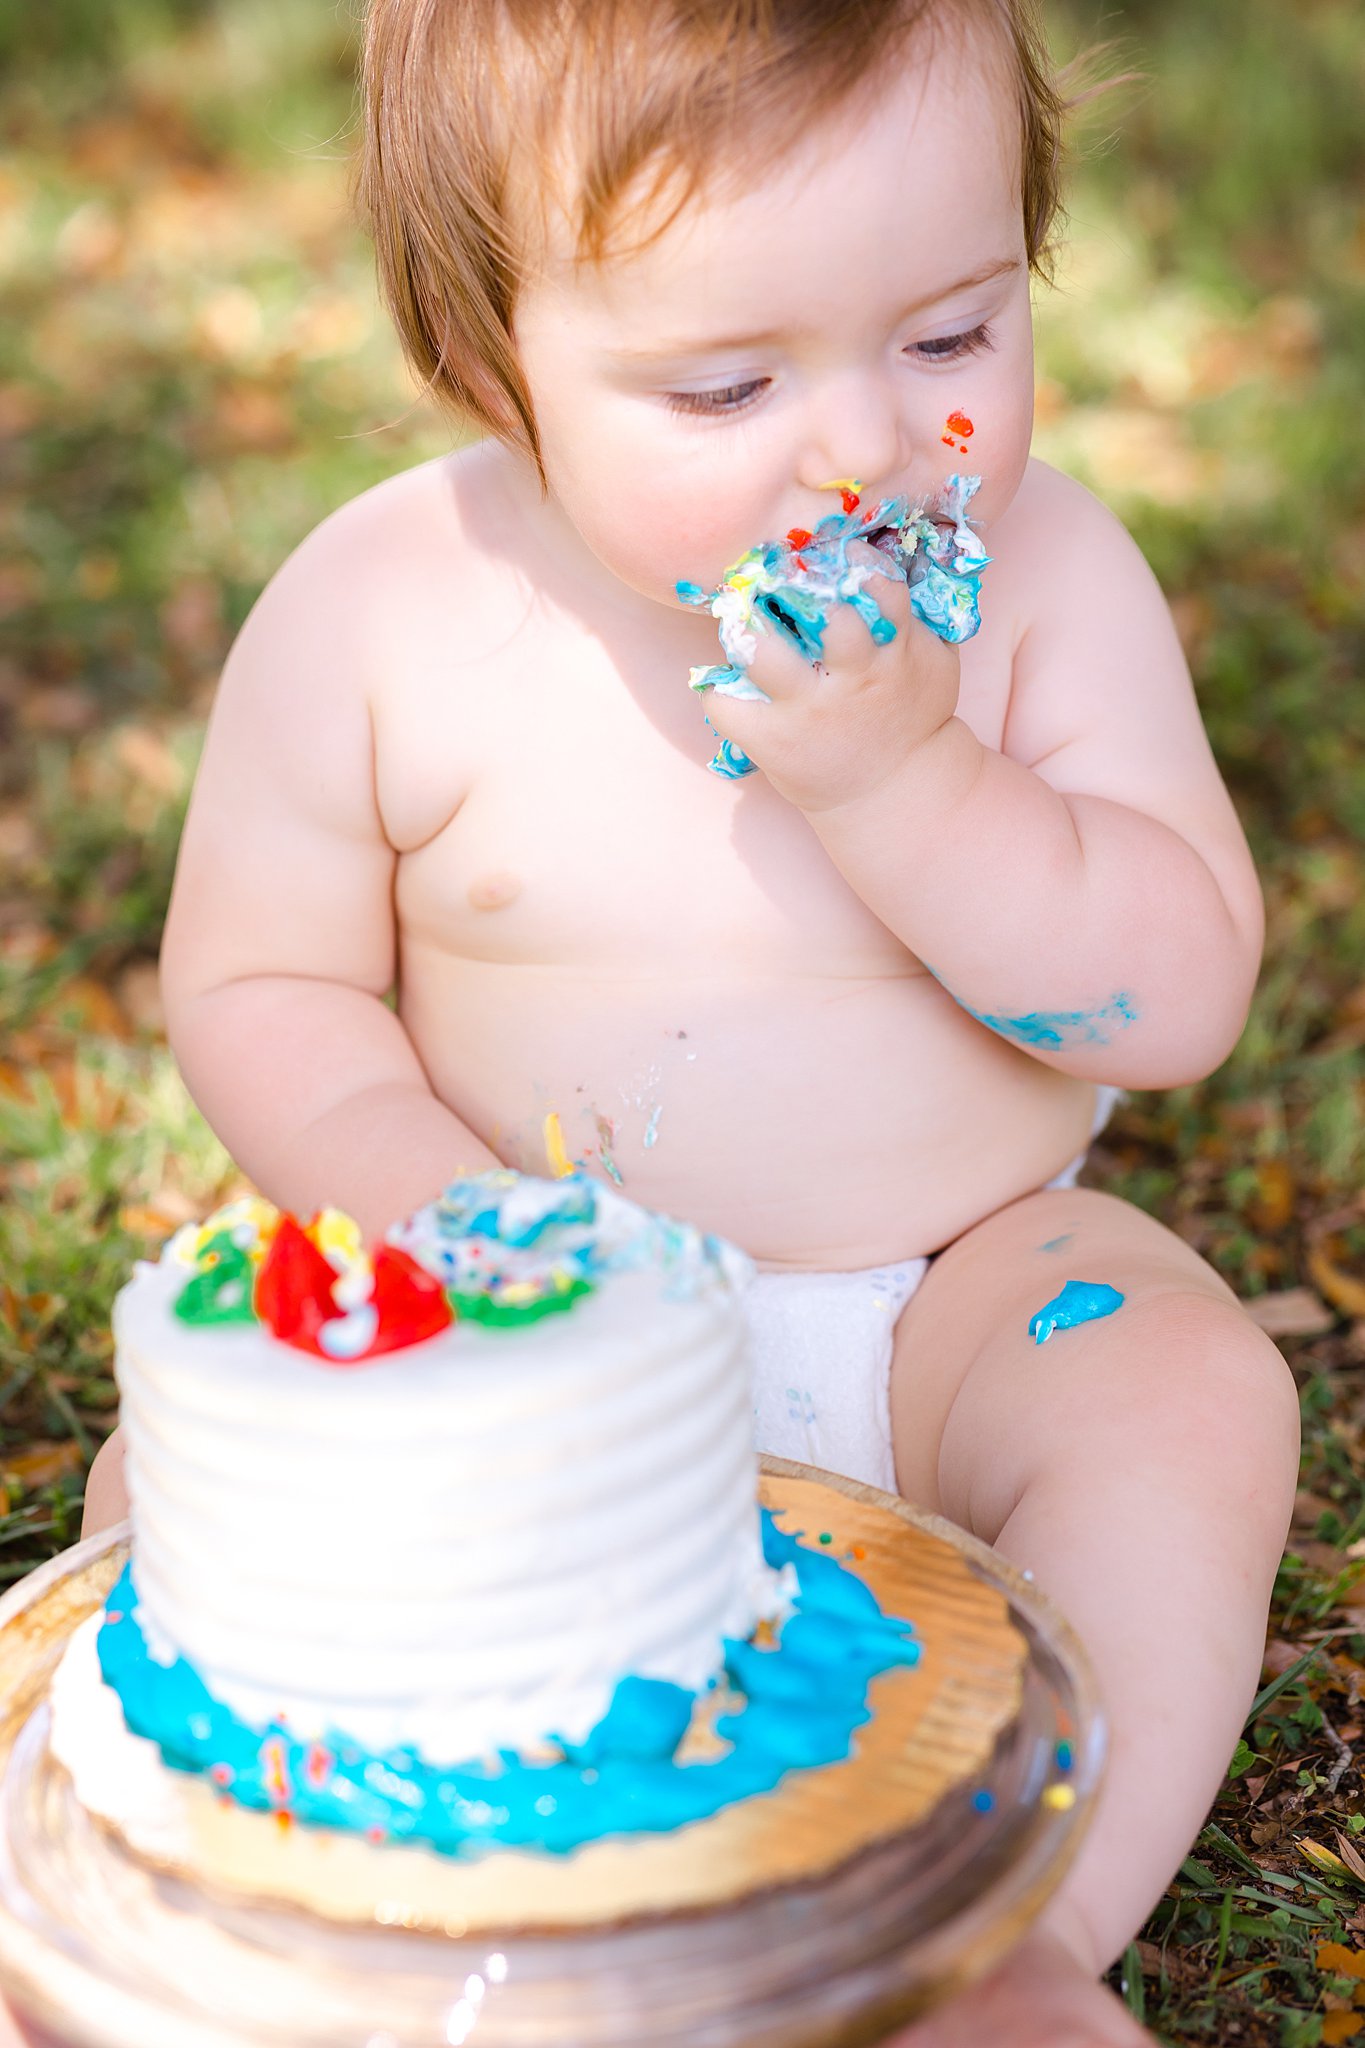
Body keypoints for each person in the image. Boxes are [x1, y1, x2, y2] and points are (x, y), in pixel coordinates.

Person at [76, 3, 1300, 2041]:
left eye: (949, 336)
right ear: (495, 369)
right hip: (508, 1313)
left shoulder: (1045, 578)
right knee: (187, 1474)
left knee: (1181, 1398)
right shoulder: (388, 608)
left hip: (953, 1301)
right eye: (723, 381)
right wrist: (451, 1213)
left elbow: (1167, 993)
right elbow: (263, 979)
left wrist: (907, 781)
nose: (860, 446)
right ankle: (199, 1918)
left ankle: (999, 1931)